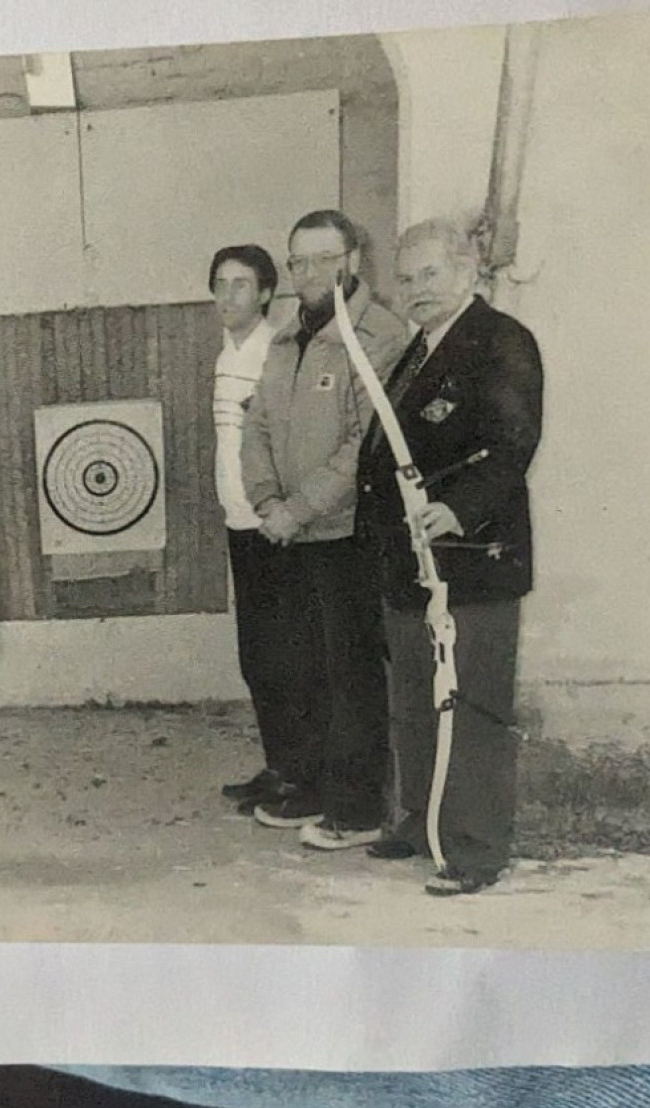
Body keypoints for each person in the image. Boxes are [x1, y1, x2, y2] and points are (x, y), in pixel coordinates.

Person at [358, 218, 544, 896]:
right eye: (405, 279)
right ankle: (421, 820)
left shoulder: (500, 343)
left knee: (471, 704)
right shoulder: (418, 350)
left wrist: (457, 509)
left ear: (466, 273)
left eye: (429, 274)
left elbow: (512, 445)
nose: (415, 290)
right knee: (413, 700)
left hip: (470, 561)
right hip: (410, 565)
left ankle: (474, 847)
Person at [240, 209, 409, 848]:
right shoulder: (288, 337)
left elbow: (364, 446)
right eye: (299, 262)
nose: (310, 273)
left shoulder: (379, 336)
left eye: (324, 259)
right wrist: (266, 503)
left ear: (354, 262)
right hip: (289, 533)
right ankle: (312, 789)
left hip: (345, 537)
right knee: (302, 671)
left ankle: (360, 808)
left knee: (352, 677)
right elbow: (256, 427)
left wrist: (297, 509)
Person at [206, 245, 295, 813]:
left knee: (284, 658)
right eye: (220, 283)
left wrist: (273, 512)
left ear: (265, 294)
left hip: (271, 528)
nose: (228, 295)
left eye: (241, 284)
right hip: (238, 524)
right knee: (256, 659)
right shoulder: (225, 355)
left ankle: (298, 776)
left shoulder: (275, 353)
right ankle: (278, 765)